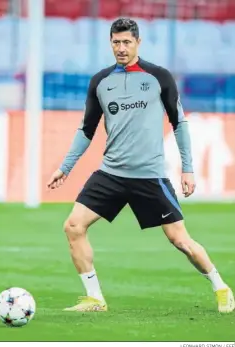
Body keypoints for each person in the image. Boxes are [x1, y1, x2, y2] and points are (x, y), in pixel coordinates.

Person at [47, 18, 234, 313]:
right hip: (110, 173)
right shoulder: (100, 81)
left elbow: (179, 123)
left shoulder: (159, 77)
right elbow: (86, 130)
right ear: (110, 43)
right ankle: (95, 298)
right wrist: (66, 166)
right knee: (73, 225)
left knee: (180, 240)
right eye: (116, 42)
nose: (121, 48)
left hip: (149, 176)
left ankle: (220, 286)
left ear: (138, 42)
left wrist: (188, 168)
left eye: (126, 42)